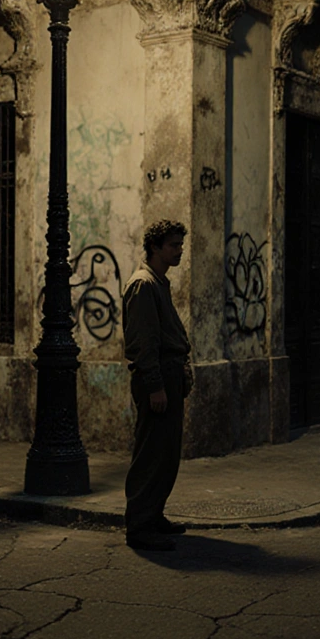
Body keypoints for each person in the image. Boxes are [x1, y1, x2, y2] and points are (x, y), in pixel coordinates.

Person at [121, 219, 193, 551]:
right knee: (151, 453)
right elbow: (143, 342)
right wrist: (155, 385)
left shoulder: (158, 283)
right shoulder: (144, 285)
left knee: (166, 453)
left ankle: (154, 515)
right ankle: (139, 525)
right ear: (155, 247)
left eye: (180, 244)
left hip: (170, 373)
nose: (179, 251)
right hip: (158, 376)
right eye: (173, 245)